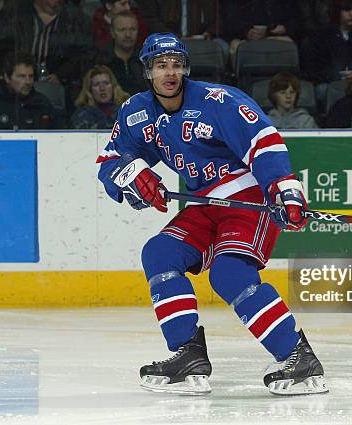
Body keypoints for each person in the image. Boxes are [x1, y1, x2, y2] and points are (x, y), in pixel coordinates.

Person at [96, 33, 327, 396]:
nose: (169, 72)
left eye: (175, 64)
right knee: (159, 253)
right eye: (160, 65)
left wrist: (283, 187)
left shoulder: (218, 101)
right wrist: (131, 174)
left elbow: (263, 143)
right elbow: (110, 161)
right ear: (148, 71)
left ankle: (297, 355)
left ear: (185, 68)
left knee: (229, 273)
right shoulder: (136, 112)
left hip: (247, 199)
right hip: (204, 205)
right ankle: (187, 354)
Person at [301, 0, 352, 107]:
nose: (351, 14)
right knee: (324, 90)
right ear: (337, 11)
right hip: (329, 81)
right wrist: (336, 76)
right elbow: (315, 67)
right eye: (347, 10)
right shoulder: (322, 37)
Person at [0, 52, 58, 130]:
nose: (28, 82)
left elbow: (61, 137)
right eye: (22, 76)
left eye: (31, 76)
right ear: (7, 78)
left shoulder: (42, 103)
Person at [94, 11, 146, 97]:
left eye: (132, 29)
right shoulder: (101, 60)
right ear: (112, 32)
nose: (128, 35)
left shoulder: (145, 60)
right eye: (122, 30)